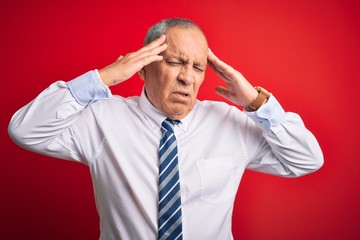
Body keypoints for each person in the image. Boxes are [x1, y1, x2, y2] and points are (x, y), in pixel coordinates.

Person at [8, 18, 323, 240]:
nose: (188, 77)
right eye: (175, 62)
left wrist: (257, 102)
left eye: (198, 67)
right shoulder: (103, 119)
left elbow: (306, 159)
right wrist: (102, 78)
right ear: (143, 68)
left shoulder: (229, 123)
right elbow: (25, 129)